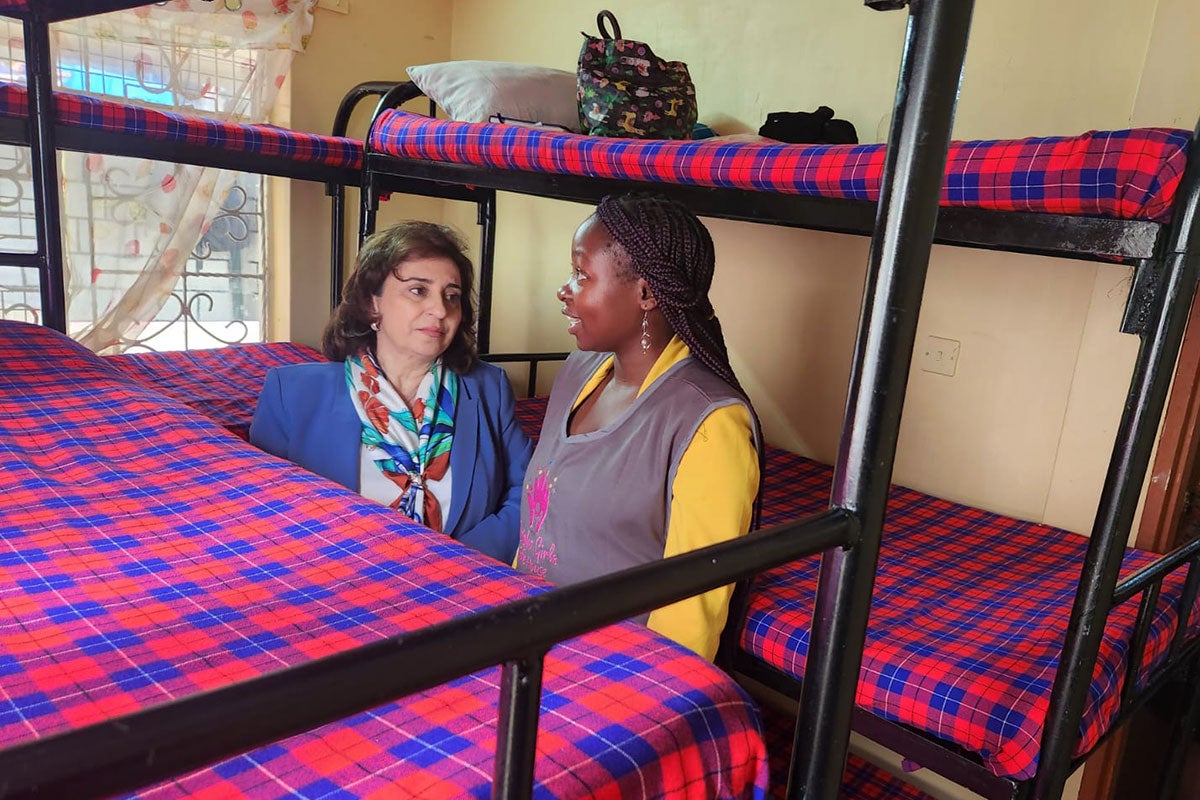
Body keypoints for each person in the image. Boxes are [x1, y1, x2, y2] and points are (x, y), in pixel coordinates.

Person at [515, 193, 761, 661]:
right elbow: (538, 531)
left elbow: (688, 621)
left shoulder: (709, 425)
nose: (564, 290)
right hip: (528, 639)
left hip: (609, 671)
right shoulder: (578, 371)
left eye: (581, 275)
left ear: (646, 292)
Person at [250, 222, 532, 564]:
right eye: (418, 291)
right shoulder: (292, 394)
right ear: (372, 305)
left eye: (451, 296)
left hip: (467, 585)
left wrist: (461, 562)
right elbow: (269, 515)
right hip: (339, 584)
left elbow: (529, 492)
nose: (440, 310)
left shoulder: (488, 387)